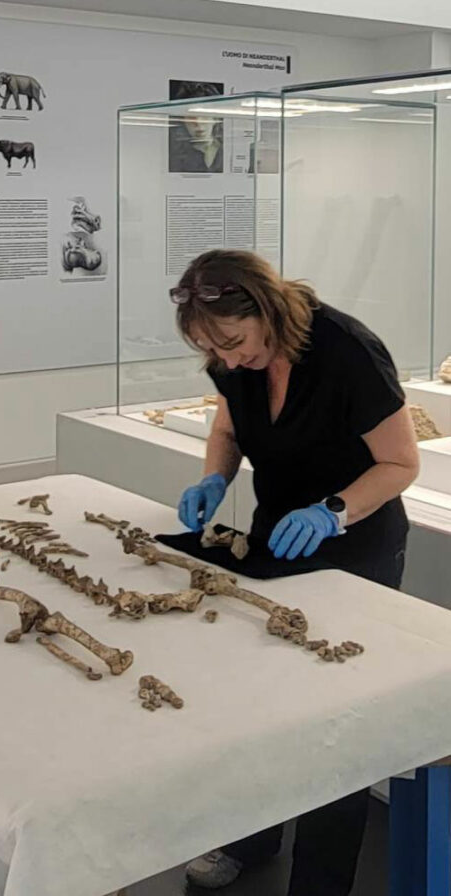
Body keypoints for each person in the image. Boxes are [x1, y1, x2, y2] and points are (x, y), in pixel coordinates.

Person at [171, 249, 419, 896]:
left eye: (232, 342)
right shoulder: (235, 360)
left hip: (353, 546)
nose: (227, 359)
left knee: (334, 722)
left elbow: (398, 465)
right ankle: (248, 839)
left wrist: (332, 512)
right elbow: (227, 427)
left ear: (264, 309)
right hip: (275, 539)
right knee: (257, 701)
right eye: (212, 349)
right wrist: (213, 478)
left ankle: (320, 881)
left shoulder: (345, 351)